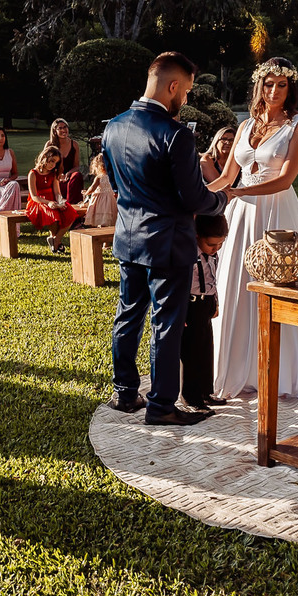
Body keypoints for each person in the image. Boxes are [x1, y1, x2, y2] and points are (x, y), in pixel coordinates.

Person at [101, 51, 231, 425]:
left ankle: (125, 394)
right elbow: (194, 198)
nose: (187, 99)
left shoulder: (114, 126)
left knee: (128, 317)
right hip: (168, 245)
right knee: (166, 323)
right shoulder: (175, 134)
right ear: (172, 86)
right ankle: (160, 406)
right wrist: (222, 197)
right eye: (186, 91)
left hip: (128, 239)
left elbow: (120, 182)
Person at [207, 57, 298, 400]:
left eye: (281, 85)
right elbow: (226, 177)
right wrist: (193, 196)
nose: (274, 91)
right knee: (236, 288)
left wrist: (238, 191)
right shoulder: (244, 125)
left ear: (290, 88)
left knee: (279, 289)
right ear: (259, 86)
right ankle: (237, 367)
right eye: (268, 84)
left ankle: (283, 372)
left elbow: (285, 179)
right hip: (242, 217)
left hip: (278, 216)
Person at [179, 213, 228, 415]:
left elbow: (211, 281)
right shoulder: (188, 255)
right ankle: (191, 396)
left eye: (220, 244)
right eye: (212, 245)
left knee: (206, 349)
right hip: (189, 306)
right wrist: (180, 314)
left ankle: (206, 392)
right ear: (197, 236)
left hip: (205, 304)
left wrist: (214, 302)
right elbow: (180, 286)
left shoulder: (211, 255)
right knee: (191, 353)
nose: (216, 249)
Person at [25, 146, 79, 253]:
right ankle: (57, 243)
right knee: (53, 214)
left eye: (56, 163)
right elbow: (34, 196)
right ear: (44, 157)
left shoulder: (53, 174)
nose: (53, 165)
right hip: (39, 201)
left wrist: (60, 202)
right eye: (52, 161)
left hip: (53, 200)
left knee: (70, 213)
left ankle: (56, 239)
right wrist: (48, 202)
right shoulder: (33, 173)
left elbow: (57, 192)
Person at [45, 118, 84, 204]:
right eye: (60, 128)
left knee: (77, 176)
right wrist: (58, 174)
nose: (63, 130)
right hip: (55, 175)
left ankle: (72, 207)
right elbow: (45, 165)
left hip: (69, 176)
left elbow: (76, 166)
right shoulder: (50, 145)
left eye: (65, 127)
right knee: (59, 184)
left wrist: (68, 173)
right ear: (55, 131)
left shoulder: (74, 144)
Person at [81, 153, 117, 228]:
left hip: (101, 201)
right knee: (109, 215)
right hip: (111, 199)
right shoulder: (113, 176)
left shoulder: (99, 177)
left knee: (100, 214)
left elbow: (92, 188)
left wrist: (87, 192)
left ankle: (101, 228)